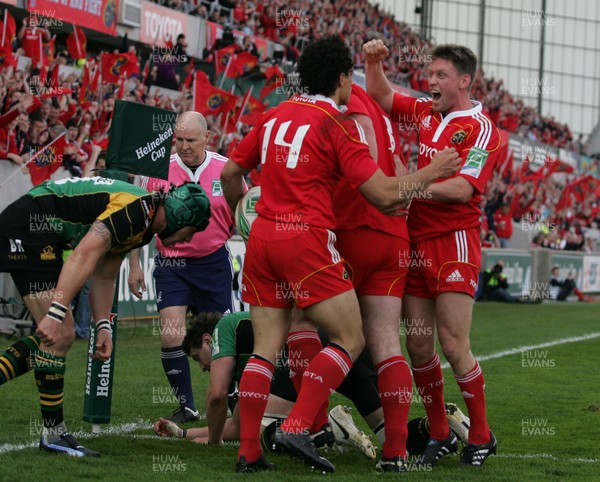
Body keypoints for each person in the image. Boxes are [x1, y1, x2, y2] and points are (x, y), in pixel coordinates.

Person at [220, 35, 461, 473]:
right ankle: (328, 433)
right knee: (359, 340)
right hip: (317, 240)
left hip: (261, 242)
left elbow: (230, 172)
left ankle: (249, 452)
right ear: (343, 79)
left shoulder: (273, 115)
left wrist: (245, 210)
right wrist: (434, 170)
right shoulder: (339, 122)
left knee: (265, 349)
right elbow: (384, 195)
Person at [0, 177, 211, 457]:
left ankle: (54, 433)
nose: (188, 238)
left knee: (55, 336)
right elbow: (84, 255)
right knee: (59, 334)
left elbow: (104, 273)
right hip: (29, 225)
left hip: (36, 225)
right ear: (181, 215)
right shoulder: (137, 210)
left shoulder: (144, 220)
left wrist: (103, 327)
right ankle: (53, 434)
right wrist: (55, 312)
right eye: (192, 230)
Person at [364, 39, 499, 467]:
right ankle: (440, 432)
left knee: (454, 343)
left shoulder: (482, 129)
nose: (432, 81)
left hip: (455, 242)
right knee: (420, 347)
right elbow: (382, 95)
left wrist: (407, 186)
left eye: (441, 75)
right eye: (431, 74)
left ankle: (480, 435)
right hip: (414, 242)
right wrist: (373, 62)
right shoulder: (425, 110)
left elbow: (462, 190)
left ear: (464, 80)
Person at [153, 313, 472, 458]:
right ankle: (443, 423)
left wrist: (205, 439)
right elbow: (231, 423)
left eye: (198, 358)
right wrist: (184, 433)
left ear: (207, 340)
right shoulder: (249, 348)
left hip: (311, 355)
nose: (204, 366)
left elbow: (219, 401)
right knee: (391, 436)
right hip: (344, 349)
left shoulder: (226, 329)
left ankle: (333, 425)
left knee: (263, 426)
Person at [128, 111, 239, 424]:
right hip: (171, 264)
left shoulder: (225, 169)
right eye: (179, 140)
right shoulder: (159, 171)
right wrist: (135, 265)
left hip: (214, 262)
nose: (185, 146)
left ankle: (230, 397)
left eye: (191, 140)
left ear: (207, 137)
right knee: (170, 334)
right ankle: (187, 406)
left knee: (220, 339)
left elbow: (242, 209)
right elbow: (142, 222)